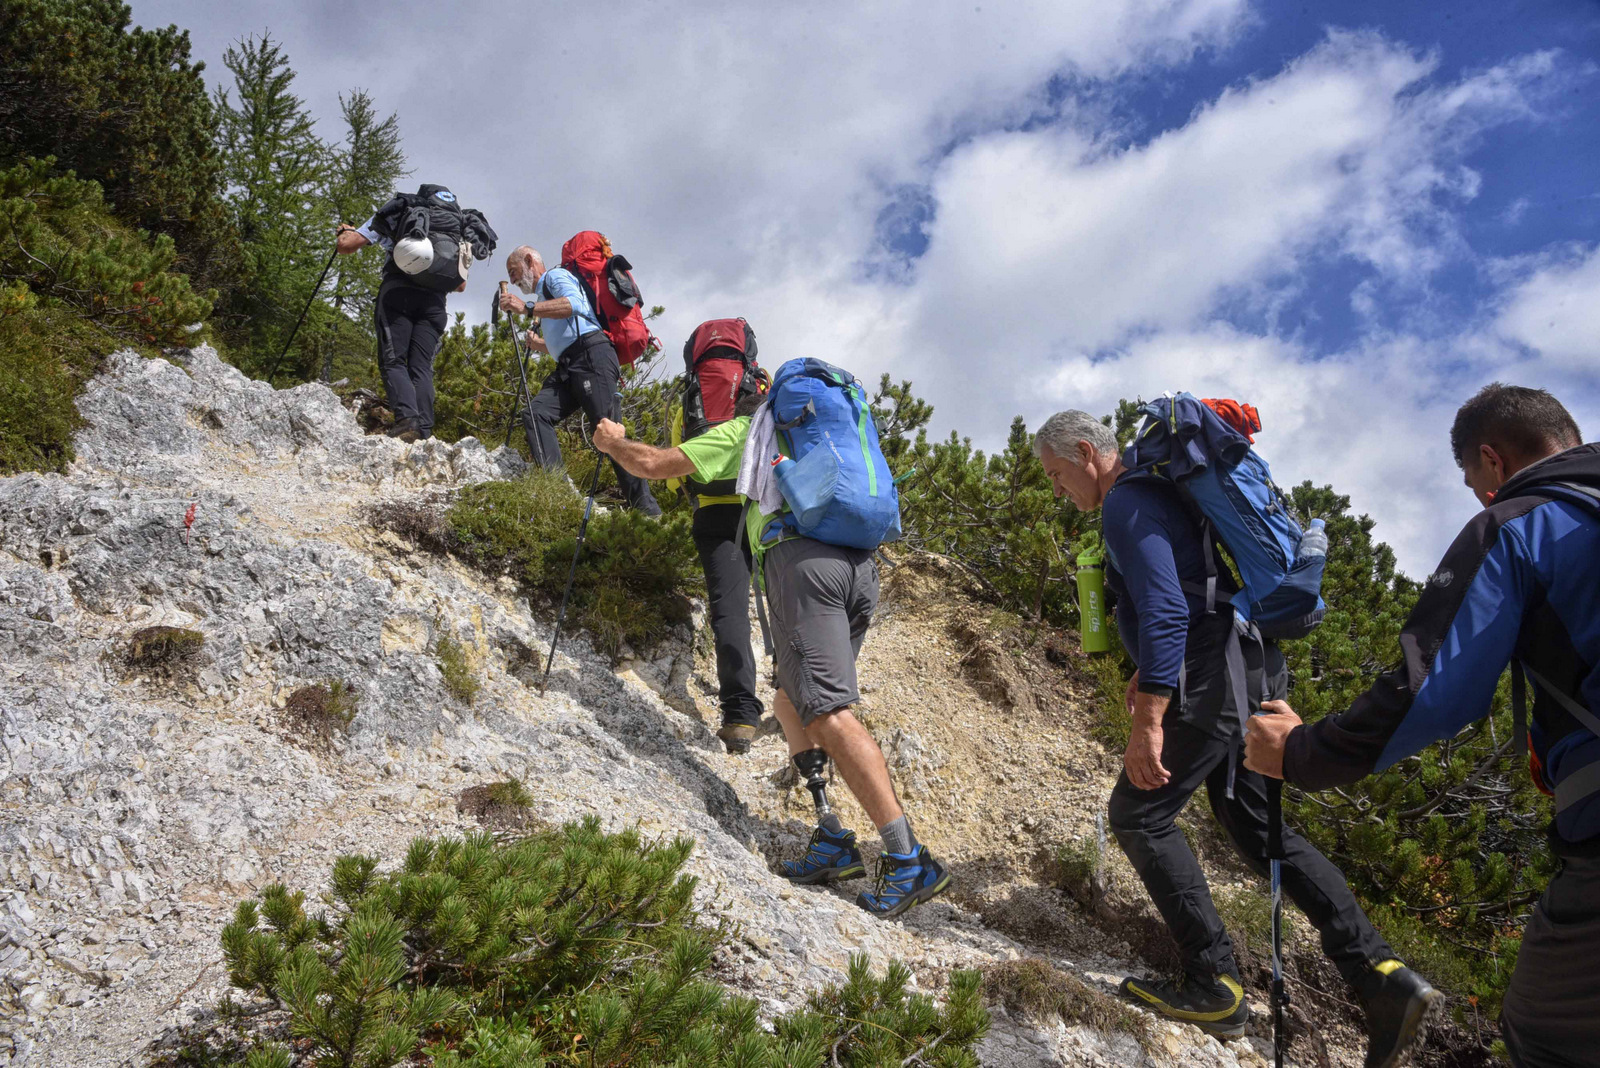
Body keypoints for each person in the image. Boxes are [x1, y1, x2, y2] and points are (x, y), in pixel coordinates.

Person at [1036, 409, 1436, 1066]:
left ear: (1086, 453)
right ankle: (1381, 977)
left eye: (1057, 476)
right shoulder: (1158, 490)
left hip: (1205, 676)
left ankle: (1213, 982)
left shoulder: (1127, 504)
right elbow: (1194, 591)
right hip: (1241, 666)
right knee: (1260, 831)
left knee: (1139, 814)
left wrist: (1151, 717)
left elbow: (1168, 606)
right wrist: (1146, 666)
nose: (1059, 491)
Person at [1245, 384, 1597, 1068]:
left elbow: (1431, 688)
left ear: (1491, 460)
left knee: (1547, 1039)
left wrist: (1303, 753)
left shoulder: (1521, 522)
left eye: (1472, 482)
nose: (1478, 497)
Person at [589, 400, 952, 918]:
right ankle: (830, 836)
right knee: (789, 699)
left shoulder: (751, 428)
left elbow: (653, 464)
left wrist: (611, 442)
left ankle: (908, 858)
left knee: (827, 711)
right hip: (861, 569)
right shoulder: (839, 436)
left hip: (804, 567)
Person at [499, 246, 661, 516]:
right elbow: (567, 338)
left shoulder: (554, 278)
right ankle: (558, 489)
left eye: (514, 272)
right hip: (571, 363)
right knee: (536, 414)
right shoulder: (543, 296)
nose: (514, 280)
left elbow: (574, 304)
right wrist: (539, 344)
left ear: (529, 261)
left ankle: (647, 510)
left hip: (591, 356)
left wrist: (525, 307)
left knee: (609, 431)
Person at [336, 184, 486, 442]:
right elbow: (460, 285)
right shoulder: (456, 230)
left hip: (398, 294)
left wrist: (344, 232)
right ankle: (424, 431)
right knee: (421, 366)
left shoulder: (402, 211)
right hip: (435, 304)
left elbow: (348, 245)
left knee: (394, 360)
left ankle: (407, 421)